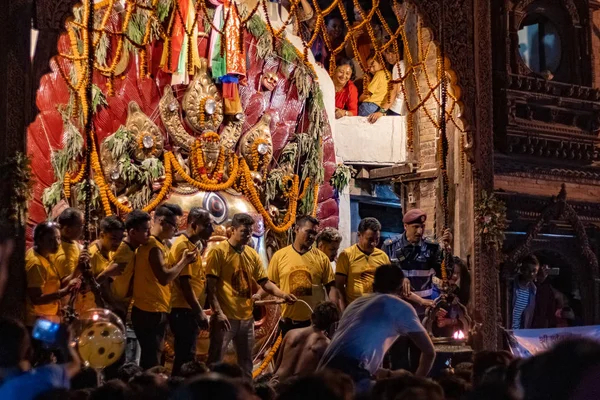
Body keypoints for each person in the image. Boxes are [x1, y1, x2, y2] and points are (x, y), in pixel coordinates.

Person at [318, 264, 436, 393]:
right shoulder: (400, 307)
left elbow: (350, 352)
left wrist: (389, 374)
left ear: (373, 285)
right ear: (402, 288)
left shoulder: (356, 303)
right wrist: (414, 385)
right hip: (350, 377)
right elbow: (429, 352)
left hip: (323, 373)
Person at [205, 213, 296, 379]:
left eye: (250, 232)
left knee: (247, 364)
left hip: (246, 318)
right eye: (243, 231)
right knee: (215, 361)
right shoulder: (219, 252)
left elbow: (265, 283)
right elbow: (210, 287)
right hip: (226, 318)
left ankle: (245, 393)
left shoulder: (251, 254)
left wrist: (283, 294)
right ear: (232, 230)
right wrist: (218, 312)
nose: (248, 235)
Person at [131, 204, 199, 370]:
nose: (176, 230)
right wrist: (184, 261)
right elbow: (164, 277)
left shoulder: (160, 244)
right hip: (149, 310)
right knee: (152, 360)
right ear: (161, 221)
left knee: (155, 357)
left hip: (157, 308)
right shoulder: (153, 247)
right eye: (174, 225)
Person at [384, 208, 450, 372]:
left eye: (422, 227)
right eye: (415, 227)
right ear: (405, 226)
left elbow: (445, 275)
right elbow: (387, 281)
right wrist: (400, 278)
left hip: (422, 315)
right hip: (398, 313)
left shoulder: (432, 248)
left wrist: (446, 251)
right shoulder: (390, 247)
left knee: (418, 358)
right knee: (398, 359)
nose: (420, 231)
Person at [268, 216, 341, 336]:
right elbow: (269, 284)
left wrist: (334, 312)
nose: (312, 237)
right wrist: (256, 296)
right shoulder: (280, 256)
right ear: (296, 229)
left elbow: (331, 288)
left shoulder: (322, 258)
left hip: (314, 325)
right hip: (287, 324)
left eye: (315, 233)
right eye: (309, 232)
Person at [168, 207, 213, 376]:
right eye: (207, 225)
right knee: (185, 358)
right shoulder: (183, 246)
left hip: (188, 309)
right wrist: (199, 311)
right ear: (194, 225)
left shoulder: (193, 245)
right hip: (183, 309)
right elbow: (184, 283)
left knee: (187, 355)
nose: (212, 230)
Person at [0, 317, 81, 400]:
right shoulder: (46, 376)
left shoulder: (3, 394)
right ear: (29, 352)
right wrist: (64, 344)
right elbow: (75, 365)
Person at [335, 217, 399, 311]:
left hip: (377, 310)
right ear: (359, 235)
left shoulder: (382, 256)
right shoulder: (346, 255)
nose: (374, 243)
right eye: (370, 239)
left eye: (377, 239)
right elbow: (339, 287)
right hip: (355, 310)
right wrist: (344, 311)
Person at [25, 221, 79, 326]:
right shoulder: (36, 263)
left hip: (48, 316)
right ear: (39, 240)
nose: (57, 243)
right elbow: (36, 299)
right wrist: (64, 291)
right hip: (39, 321)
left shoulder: (46, 254)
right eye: (51, 240)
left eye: (58, 238)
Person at [273, 301, 340, 380]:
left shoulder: (291, 334)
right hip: (298, 388)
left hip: (277, 383)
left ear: (312, 317)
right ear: (331, 324)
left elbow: (277, 366)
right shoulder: (326, 345)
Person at [74, 216, 125, 314]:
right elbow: (82, 289)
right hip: (89, 310)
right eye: (113, 238)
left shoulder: (110, 251)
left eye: (120, 238)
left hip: (104, 308)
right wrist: (105, 274)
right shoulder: (91, 255)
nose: (118, 243)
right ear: (102, 235)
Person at [106, 210, 152, 319]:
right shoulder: (123, 252)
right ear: (132, 232)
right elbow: (105, 280)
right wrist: (114, 304)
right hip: (114, 307)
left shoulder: (132, 249)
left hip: (123, 304)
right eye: (146, 230)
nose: (149, 234)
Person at [367, 46, 407, 123]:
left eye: (393, 53)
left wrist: (381, 111)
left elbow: (394, 91)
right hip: (401, 109)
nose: (390, 56)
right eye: (387, 53)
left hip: (395, 108)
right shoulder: (403, 64)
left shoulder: (398, 66)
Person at [509, 255, 538, 330]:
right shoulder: (510, 286)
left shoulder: (533, 291)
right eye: (528, 270)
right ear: (522, 269)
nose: (531, 274)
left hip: (519, 335)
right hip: (505, 331)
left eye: (534, 271)